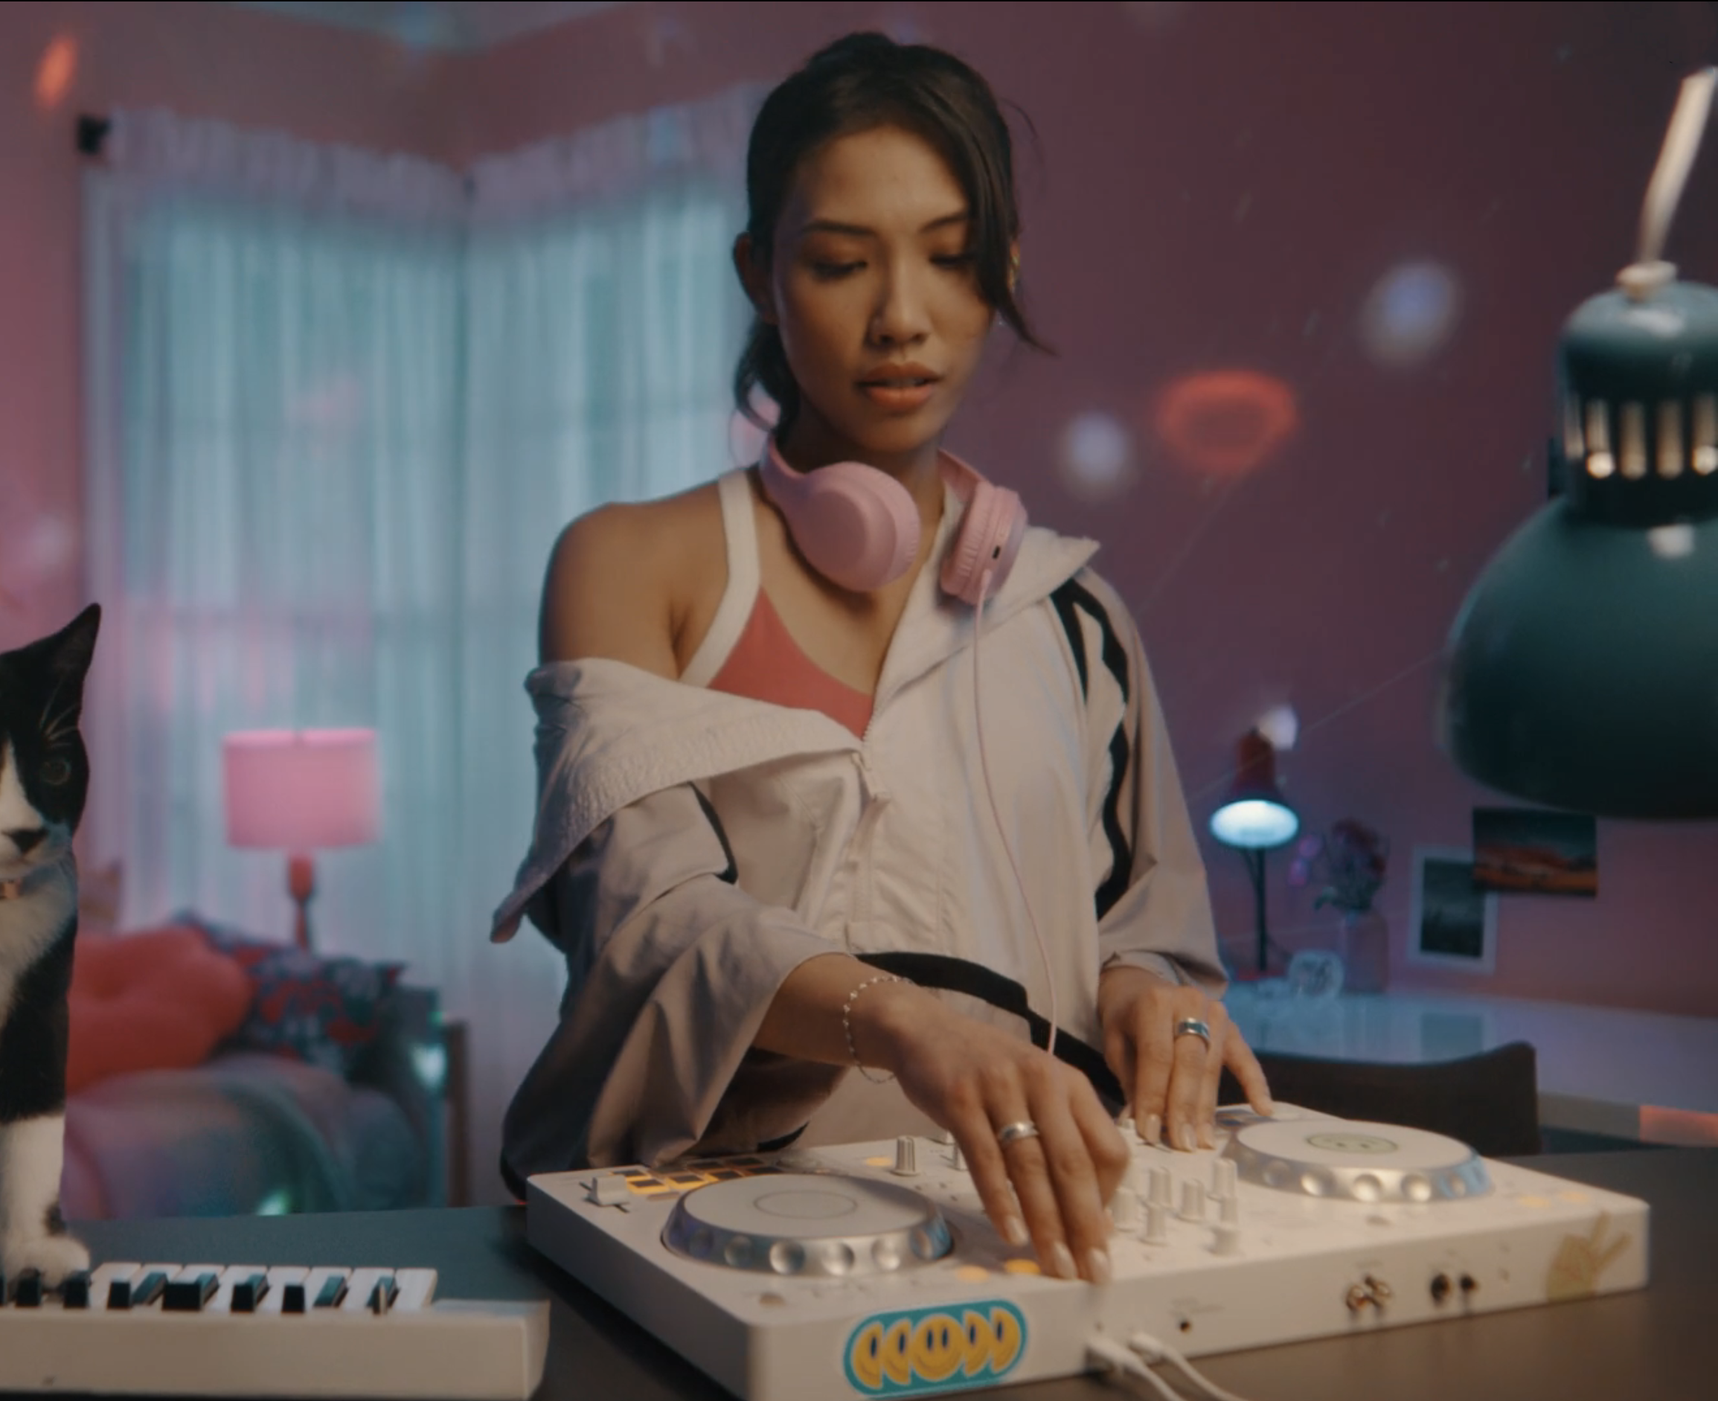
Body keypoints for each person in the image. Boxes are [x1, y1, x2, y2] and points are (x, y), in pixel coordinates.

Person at [490, 33, 1272, 1287]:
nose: (901, 318)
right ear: (759, 274)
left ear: (1000, 269)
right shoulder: (631, 564)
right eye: (840, 262)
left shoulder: (1075, 614)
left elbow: (1147, 925)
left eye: (950, 258)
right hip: (704, 1257)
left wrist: (1148, 994)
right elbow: (648, 919)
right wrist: (910, 1027)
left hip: (1022, 1248)